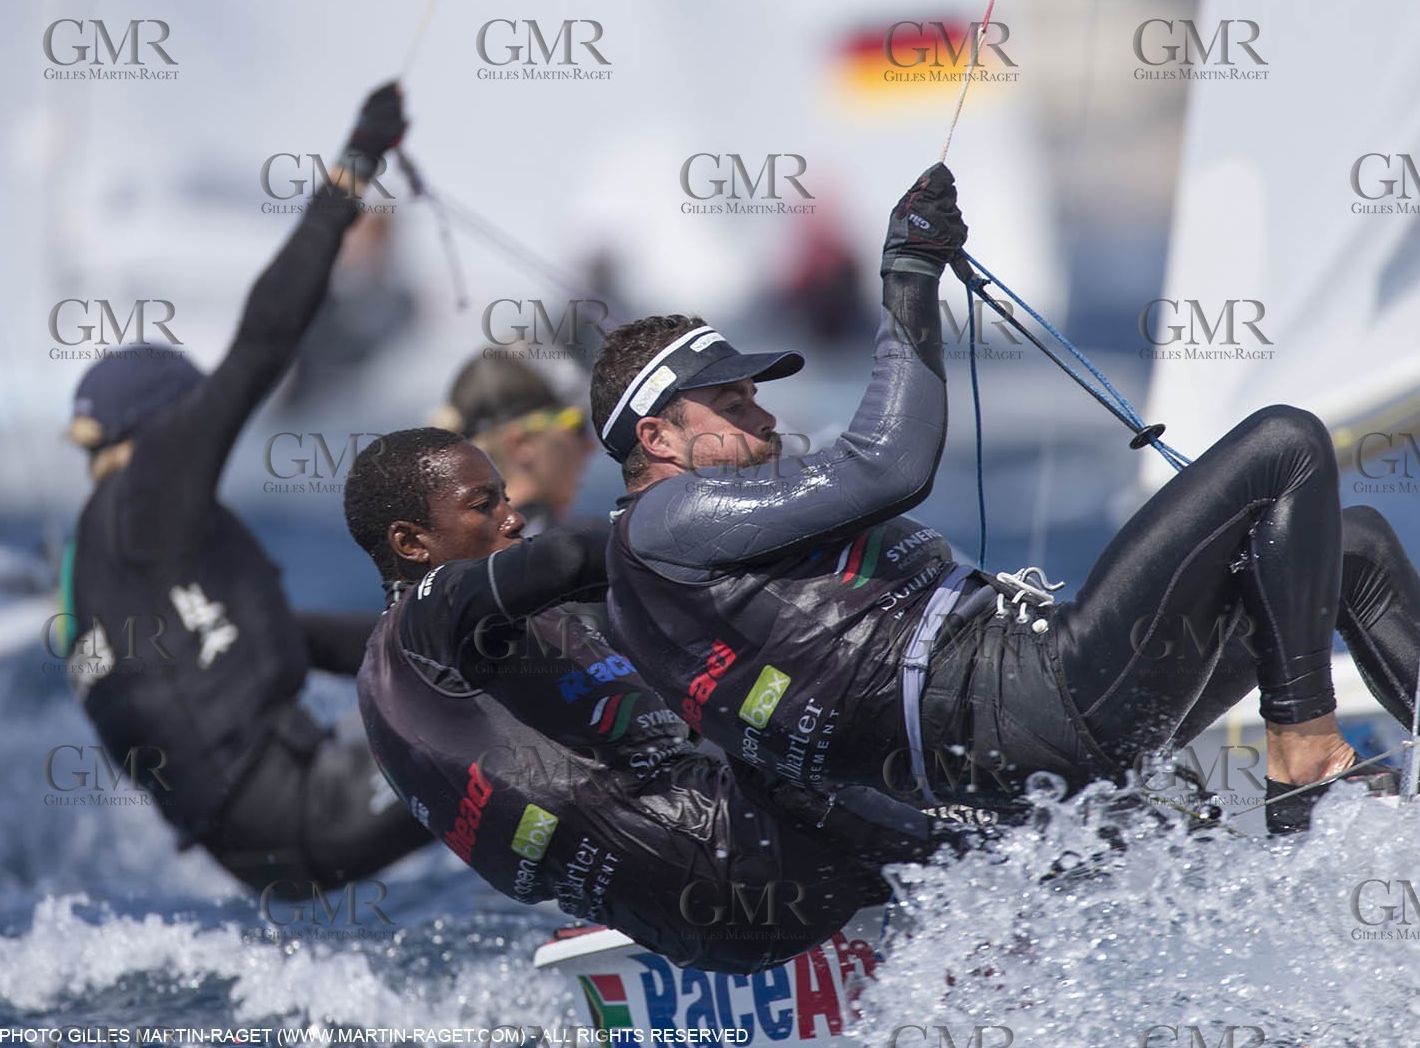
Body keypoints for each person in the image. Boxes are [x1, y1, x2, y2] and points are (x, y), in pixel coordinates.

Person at [590, 163, 1420, 836]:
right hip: (1029, 705)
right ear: (655, 438)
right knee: (1286, 444)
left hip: (1026, 729)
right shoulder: (665, 522)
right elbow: (889, 463)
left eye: (757, 392)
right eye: (732, 400)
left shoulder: (689, 563)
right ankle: (1304, 763)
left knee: (1348, 547)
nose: (762, 412)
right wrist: (908, 277)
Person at [344, 427, 943, 973]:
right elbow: (567, 557)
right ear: (410, 542)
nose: (513, 516)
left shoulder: (433, 665)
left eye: (505, 496)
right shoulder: (424, 621)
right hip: (752, 866)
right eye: (484, 505)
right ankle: (992, 867)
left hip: (697, 934)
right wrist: (725, 530)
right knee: (819, 723)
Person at [60, 83, 431, 887]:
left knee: (496, 713)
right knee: (531, 732)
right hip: (305, 805)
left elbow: (284, 636)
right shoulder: (150, 490)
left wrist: (443, 629)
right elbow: (264, 340)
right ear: (159, 425)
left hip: (265, 855)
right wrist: (355, 166)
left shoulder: (106, 556)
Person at [430, 354, 595, 535]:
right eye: (575, 425)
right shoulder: (575, 548)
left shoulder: (458, 548)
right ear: (521, 444)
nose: (589, 445)